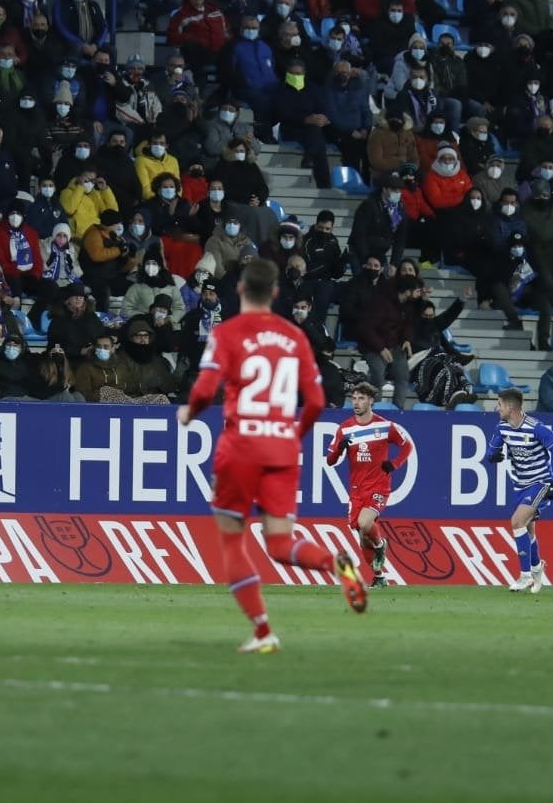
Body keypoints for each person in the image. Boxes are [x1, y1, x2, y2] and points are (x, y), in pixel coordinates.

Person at [177, 258, 367, 653]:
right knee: (279, 544)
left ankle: (263, 631)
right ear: (277, 293)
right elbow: (315, 400)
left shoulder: (227, 332)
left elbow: (203, 390)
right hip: (281, 450)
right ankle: (336, 564)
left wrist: (188, 414)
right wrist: (292, 436)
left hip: (240, 447)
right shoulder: (294, 337)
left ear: (242, 290)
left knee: (232, 542)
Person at [324, 382, 413, 589]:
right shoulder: (345, 428)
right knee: (363, 538)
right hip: (356, 490)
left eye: (361, 398)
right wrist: (339, 449)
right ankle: (379, 576)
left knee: (365, 524)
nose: (356, 402)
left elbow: (407, 445)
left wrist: (395, 464)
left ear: (371, 400)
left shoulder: (384, 426)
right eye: (354, 398)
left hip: (379, 486)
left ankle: (381, 545)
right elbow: (329, 460)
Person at [486, 388, 553, 594]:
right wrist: (492, 456)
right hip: (520, 485)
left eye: (499, 404)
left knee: (517, 521)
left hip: (540, 482)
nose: (497, 408)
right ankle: (537, 567)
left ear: (510, 407)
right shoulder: (502, 428)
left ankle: (525, 575)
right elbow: (491, 450)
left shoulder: (536, 428)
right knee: (528, 530)